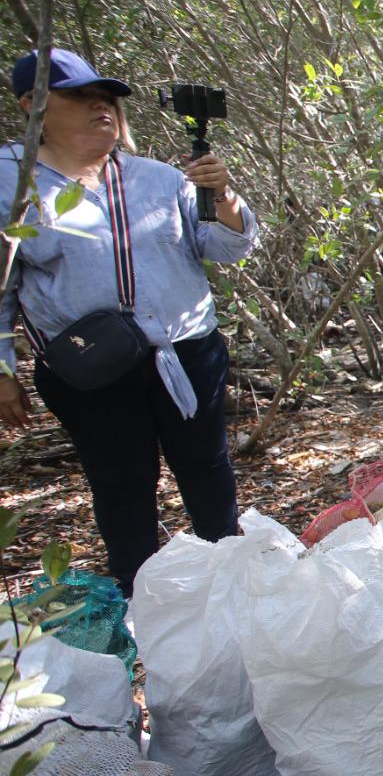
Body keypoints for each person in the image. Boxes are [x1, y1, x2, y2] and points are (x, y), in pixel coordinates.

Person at [0, 48, 258, 596]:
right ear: (32, 105)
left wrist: (224, 196)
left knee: (206, 467)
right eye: (81, 98)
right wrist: (3, 371)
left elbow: (225, 247)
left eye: (107, 99)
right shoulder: (10, 183)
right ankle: (141, 599)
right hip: (90, 364)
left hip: (186, 351)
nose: (101, 108)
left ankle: (235, 584)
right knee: (121, 482)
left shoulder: (158, 178)